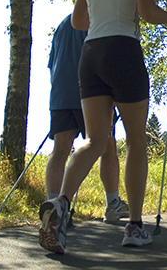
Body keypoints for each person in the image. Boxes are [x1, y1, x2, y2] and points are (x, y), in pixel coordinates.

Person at [38, 0, 167, 254]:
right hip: (122, 49)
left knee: (94, 140)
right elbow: (148, 14)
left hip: (91, 54)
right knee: (135, 140)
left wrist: (104, 18)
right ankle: (134, 226)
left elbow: (79, 21)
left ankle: (61, 203)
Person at [46, 14, 128, 224]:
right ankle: (112, 204)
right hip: (93, 94)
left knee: (60, 149)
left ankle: (53, 207)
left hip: (61, 94)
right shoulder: (100, 19)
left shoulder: (63, 24)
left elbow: (51, 64)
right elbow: (104, 60)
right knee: (107, 146)